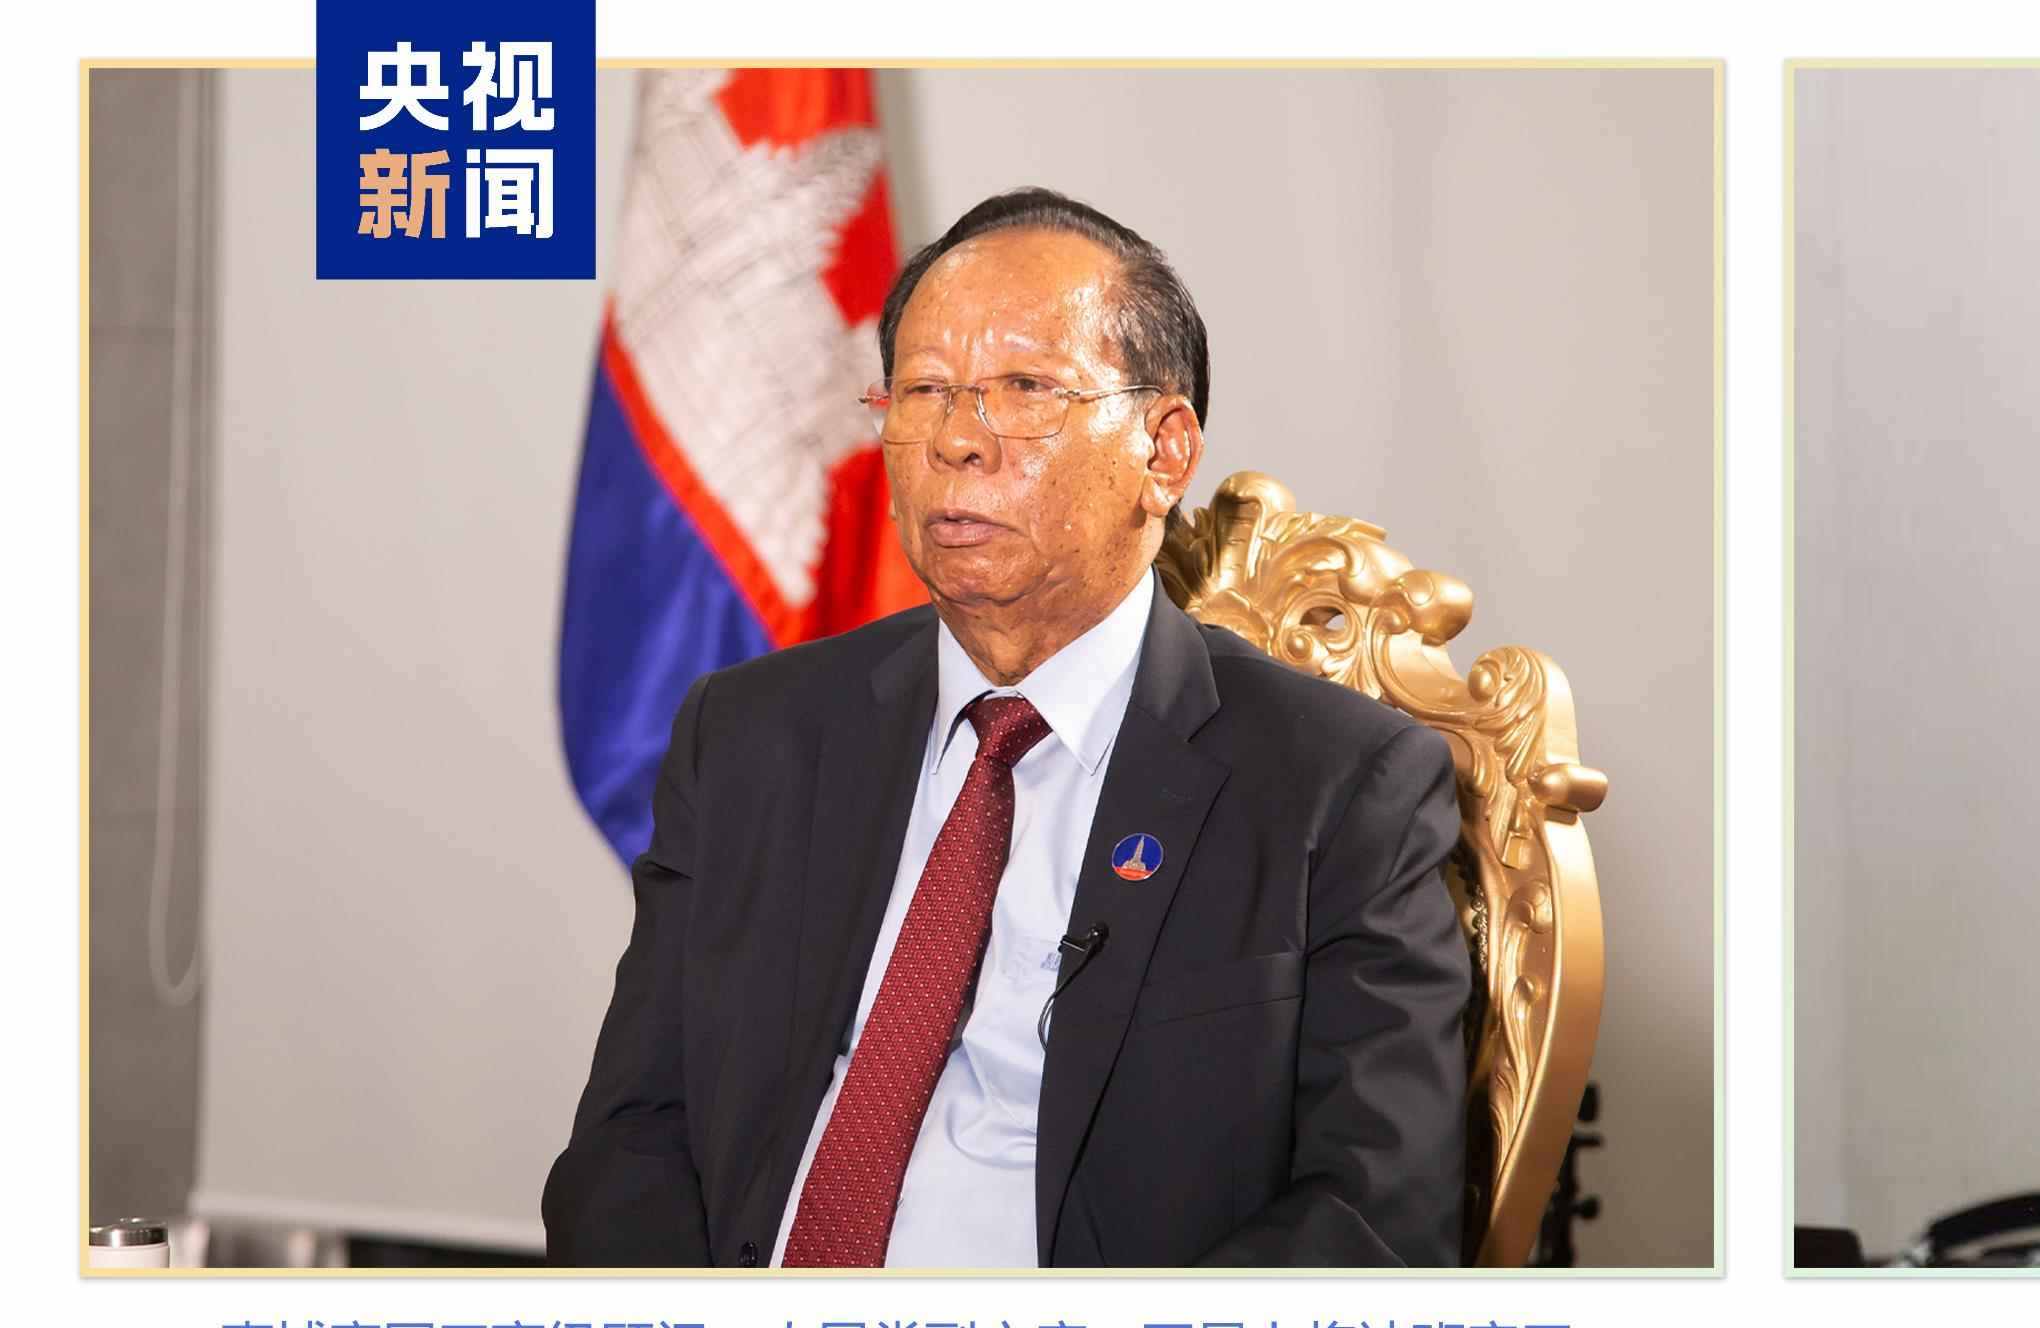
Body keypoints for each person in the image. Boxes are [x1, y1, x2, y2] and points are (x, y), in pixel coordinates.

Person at [542, 188, 1471, 1268]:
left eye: (1024, 390)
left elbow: (1370, 1217)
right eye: (924, 391)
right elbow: (634, 1131)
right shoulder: (751, 734)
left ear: (1164, 451)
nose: (955, 441)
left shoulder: (1338, 786)